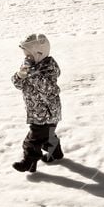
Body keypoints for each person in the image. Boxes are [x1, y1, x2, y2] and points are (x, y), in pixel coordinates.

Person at [11, 33, 64, 173]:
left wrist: (31, 74)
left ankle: (28, 162)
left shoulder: (49, 68)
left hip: (46, 113)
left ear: (39, 53)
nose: (26, 58)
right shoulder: (29, 66)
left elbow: (49, 89)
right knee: (48, 137)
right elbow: (18, 84)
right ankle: (56, 153)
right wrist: (19, 76)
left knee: (32, 141)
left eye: (28, 55)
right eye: (25, 54)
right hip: (36, 111)